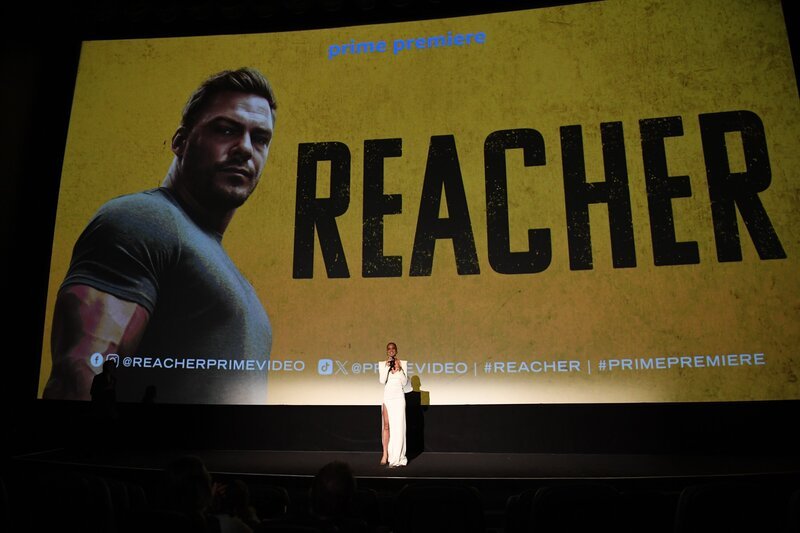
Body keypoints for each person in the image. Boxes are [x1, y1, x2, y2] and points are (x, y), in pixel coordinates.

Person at [42, 67, 277, 404]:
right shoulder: (144, 219)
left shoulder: (216, 261)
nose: (245, 148)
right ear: (180, 142)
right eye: (226, 130)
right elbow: (80, 377)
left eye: (260, 139)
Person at [378, 342, 412, 467]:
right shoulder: (382, 364)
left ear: (396, 350)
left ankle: (398, 456)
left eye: (393, 348)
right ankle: (385, 454)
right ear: (387, 351)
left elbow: (404, 383)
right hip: (388, 397)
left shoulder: (403, 363)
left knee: (399, 428)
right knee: (386, 426)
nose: (391, 350)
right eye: (389, 349)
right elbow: (382, 381)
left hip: (399, 398)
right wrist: (387, 367)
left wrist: (400, 369)